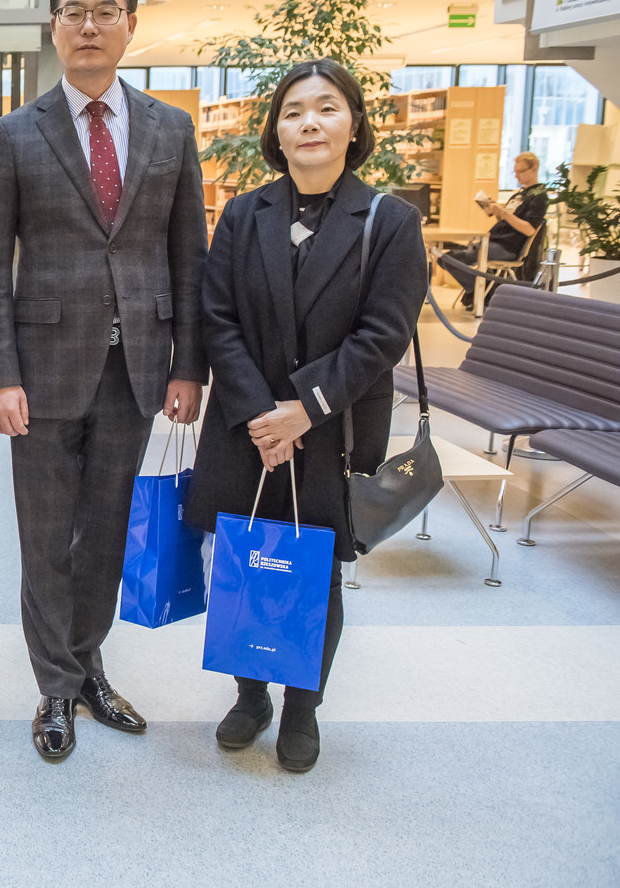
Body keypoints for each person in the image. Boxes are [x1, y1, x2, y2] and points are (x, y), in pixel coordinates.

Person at [0, 0, 209, 762]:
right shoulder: (14, 134)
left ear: (131, 24)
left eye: (106, 11)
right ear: (54, 27)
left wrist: (188, 365)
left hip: (137, 369)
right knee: (45, 539)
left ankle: (86, 665)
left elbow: (189, 256)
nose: (90, 25)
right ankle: (55, 688)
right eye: (75, 12)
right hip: (40, 375)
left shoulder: (171, 130)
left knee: (104, 534)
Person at [185, 58, 428, 773]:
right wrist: (263, 413)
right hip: (247, 423)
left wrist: (304, 409)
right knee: (245, 558)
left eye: (326, 108)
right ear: (276, 132)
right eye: (293, 112)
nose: (309, 123)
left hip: (334, 428)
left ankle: (301, 706)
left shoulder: (390, 221)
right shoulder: (243, 213)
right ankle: (249, 694)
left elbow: (383, 334)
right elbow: (216, 318)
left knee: (314, 568)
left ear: (354, 126)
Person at [437, 152, 547, 310]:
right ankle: (481, 290)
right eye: (515, 172)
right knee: (444, 258)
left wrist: (503, 213)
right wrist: (496, 213)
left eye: (521, 171)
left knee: (449, 259)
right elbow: (509, 223)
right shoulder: (519, 195)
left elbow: (529, 229)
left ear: (534, 169)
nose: (517, 176)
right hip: (494, 241)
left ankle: (482, 291)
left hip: (507, 247)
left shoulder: (538, 197)